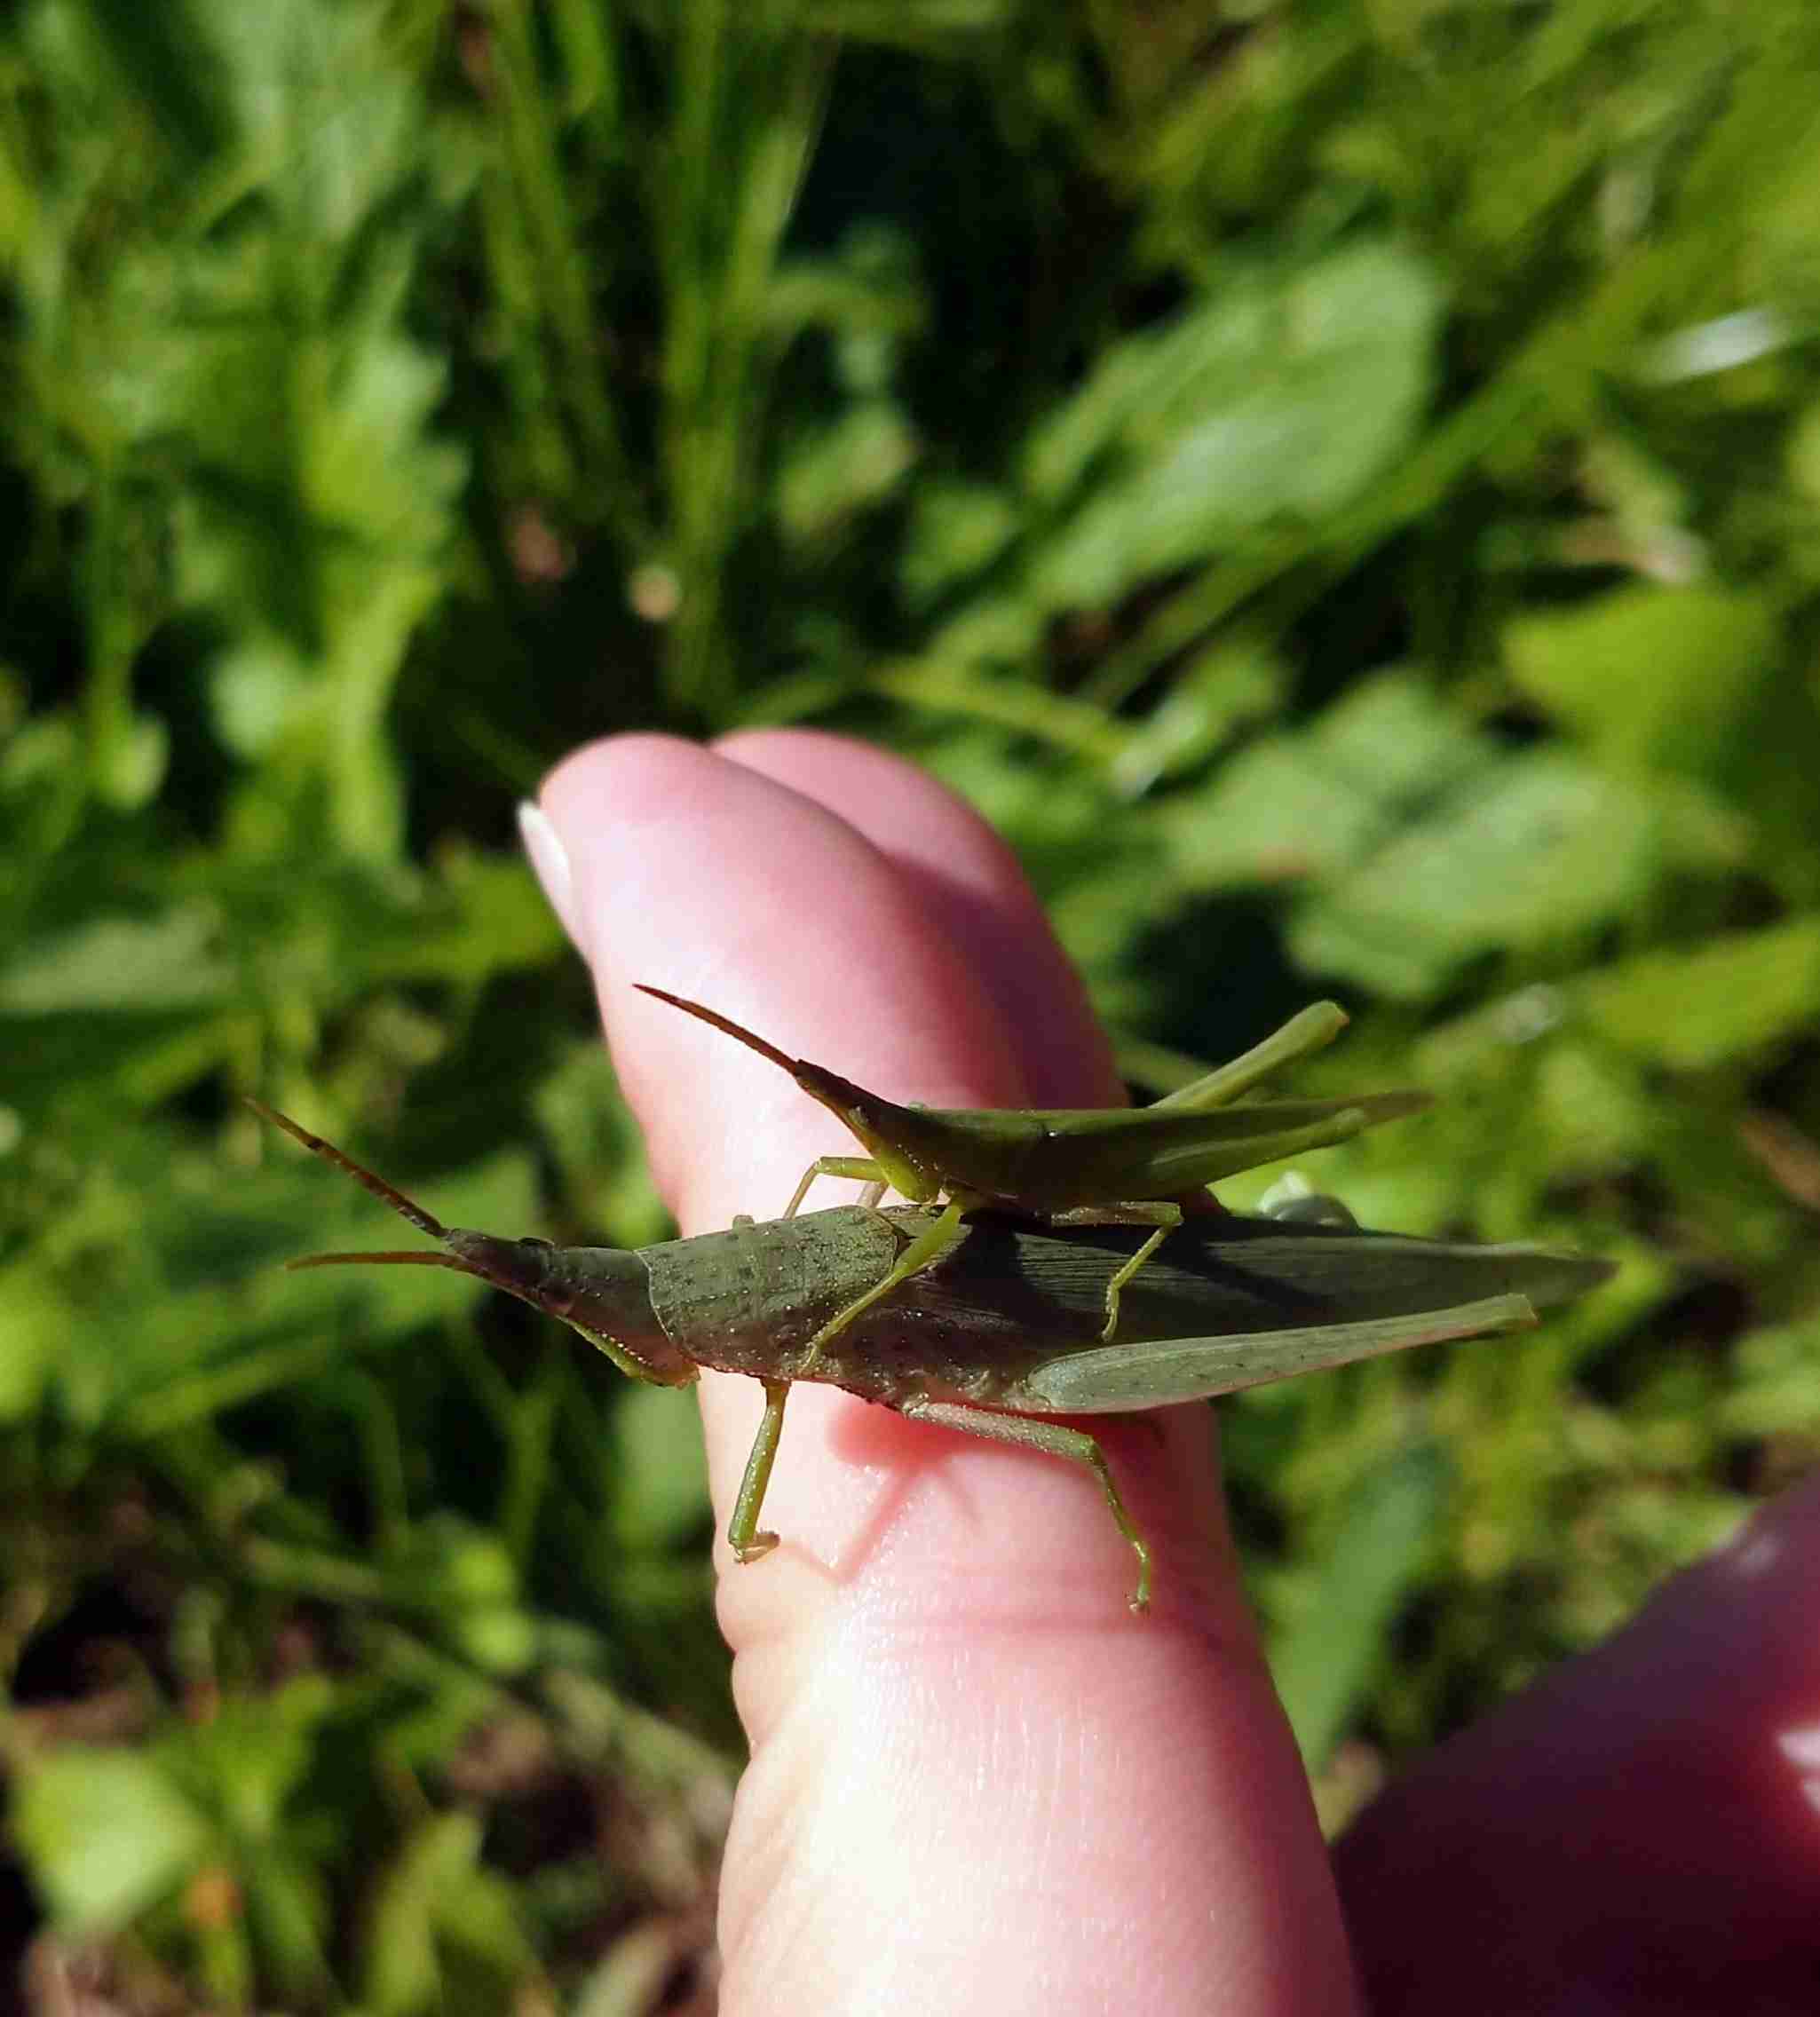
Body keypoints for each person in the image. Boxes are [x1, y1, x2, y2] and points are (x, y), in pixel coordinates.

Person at [519, 731, 1820, 2015]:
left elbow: (1051, 1367)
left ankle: (1469, 1283)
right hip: (1051, 1255)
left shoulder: (876, 1240)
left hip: (1103, 1249)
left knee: (1097, 1396)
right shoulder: (839, 1222)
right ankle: (1450, 1273)